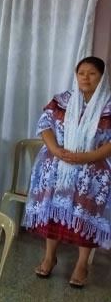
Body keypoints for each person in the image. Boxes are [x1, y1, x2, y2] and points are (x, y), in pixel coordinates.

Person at [24, 56, 111, 288]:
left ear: (102, 77)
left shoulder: (108, 105)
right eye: (81, 73)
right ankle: (49, 257)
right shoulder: (62, 100)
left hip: (92, 169)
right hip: (57, 164)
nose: (85, 77)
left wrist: (88, 157)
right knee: (52, 211)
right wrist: (56, 150)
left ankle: (82, 264)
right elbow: (45, 125)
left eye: (92, 73)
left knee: (85, 215)